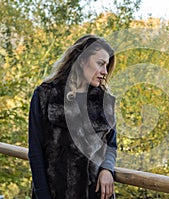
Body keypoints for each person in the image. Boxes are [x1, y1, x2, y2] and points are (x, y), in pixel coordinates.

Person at [28, 34, 117, 199]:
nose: (105, 72)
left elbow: (111, 145)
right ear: (82, 59)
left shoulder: (105, 102)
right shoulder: (44, 95)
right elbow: (35, 151)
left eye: (107, 66)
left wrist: (107, 169)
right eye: (100, 64)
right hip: (53, 193)